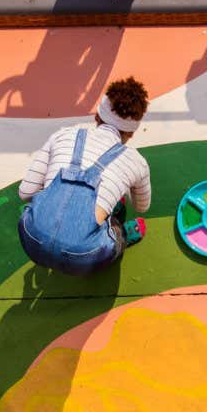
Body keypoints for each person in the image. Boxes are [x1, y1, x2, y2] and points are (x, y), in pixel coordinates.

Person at [17, 77, 152, 277]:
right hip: (83, 256)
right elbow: (142, 207)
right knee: (110, 232)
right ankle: (121, 234)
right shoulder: (137, 162)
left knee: (36, 208)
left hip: (31, 238)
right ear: (131, 134)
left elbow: (25, 193)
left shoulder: (62, 135)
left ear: (97, 116)